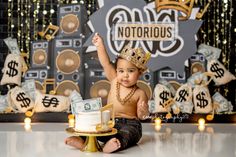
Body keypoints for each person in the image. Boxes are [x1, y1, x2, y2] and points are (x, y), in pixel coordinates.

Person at [65, 33, 150, 153]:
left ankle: (116, 143)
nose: (125, 75)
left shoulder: (140, 93)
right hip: (109, 121)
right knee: (94, 127)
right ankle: (83, 140)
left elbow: (143, 117)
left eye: (130, 71)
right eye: (121, 71)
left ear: (139, 73)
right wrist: (100, 45)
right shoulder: (115, 81)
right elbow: (106, 63)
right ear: (116, 71)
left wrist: (143, 111)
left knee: (129, 134)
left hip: (130, 124)